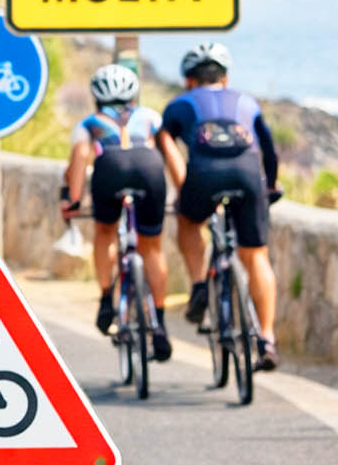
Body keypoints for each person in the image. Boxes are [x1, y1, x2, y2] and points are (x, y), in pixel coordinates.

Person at [156, 42, 283, 369]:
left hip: (203, 176)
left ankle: (199, 286)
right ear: (224, 79)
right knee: (256, 255)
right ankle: (267, 339)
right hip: (247, 177)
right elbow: (269, 151)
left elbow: (164, 140)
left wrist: (181, 183)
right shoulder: (248, 102)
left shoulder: (180, 103)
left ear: (190, 80)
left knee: (188, 223)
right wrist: (271, 184)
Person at [62, 63, 171, 360]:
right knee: (153, 246)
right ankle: (159, 324)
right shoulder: (151, 117)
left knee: (105, 232)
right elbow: (170, 153)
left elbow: (83, 156)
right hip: (149, 168)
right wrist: (183, 190)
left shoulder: (89, 124)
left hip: (110, 170)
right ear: (135, 93)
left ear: (96, 96)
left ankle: (107, 298)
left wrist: (72, 199)